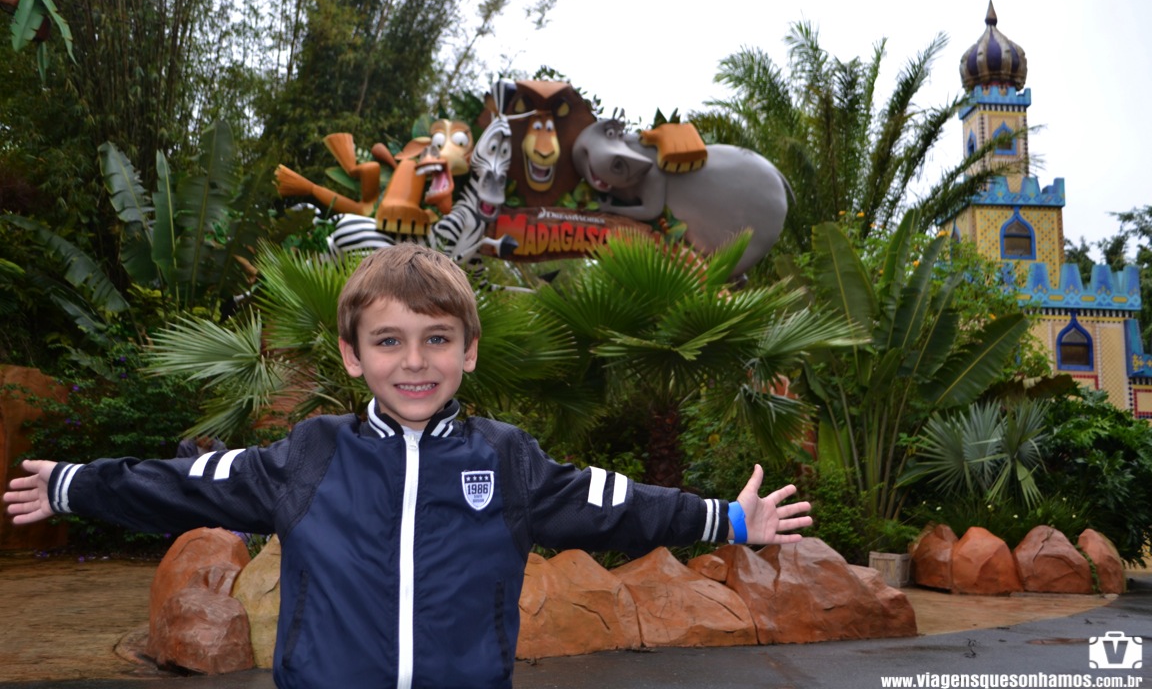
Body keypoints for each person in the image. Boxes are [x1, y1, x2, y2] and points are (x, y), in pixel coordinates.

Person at [4, 244, 813, 689]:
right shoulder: (311, 455)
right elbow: (186, 485)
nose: (413, 362)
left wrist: (732, 519)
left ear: (468, 351)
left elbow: (615, 503)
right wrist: (75, 482)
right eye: (389, 341)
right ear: (354, 357)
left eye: (435, 340)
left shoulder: (506, 459)